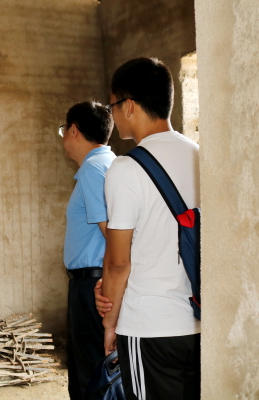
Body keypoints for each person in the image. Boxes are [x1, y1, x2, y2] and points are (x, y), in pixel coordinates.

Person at [100, 58, 201, 400]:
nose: (113, 115)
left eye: (113, 106)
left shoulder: (126, 169)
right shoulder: (201, 156)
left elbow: (118, 263)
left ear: (128, 105)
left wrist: (110, 323)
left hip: (149, 327)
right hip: (201, 323)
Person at [60, 101, 115, 399]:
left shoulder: (93, 170)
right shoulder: (109, 164)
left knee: (90, 376)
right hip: (98, 280)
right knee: (94, 370)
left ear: (73, 131)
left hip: (92, 284)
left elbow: (113, 235)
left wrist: (109, 282)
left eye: (63, 130)